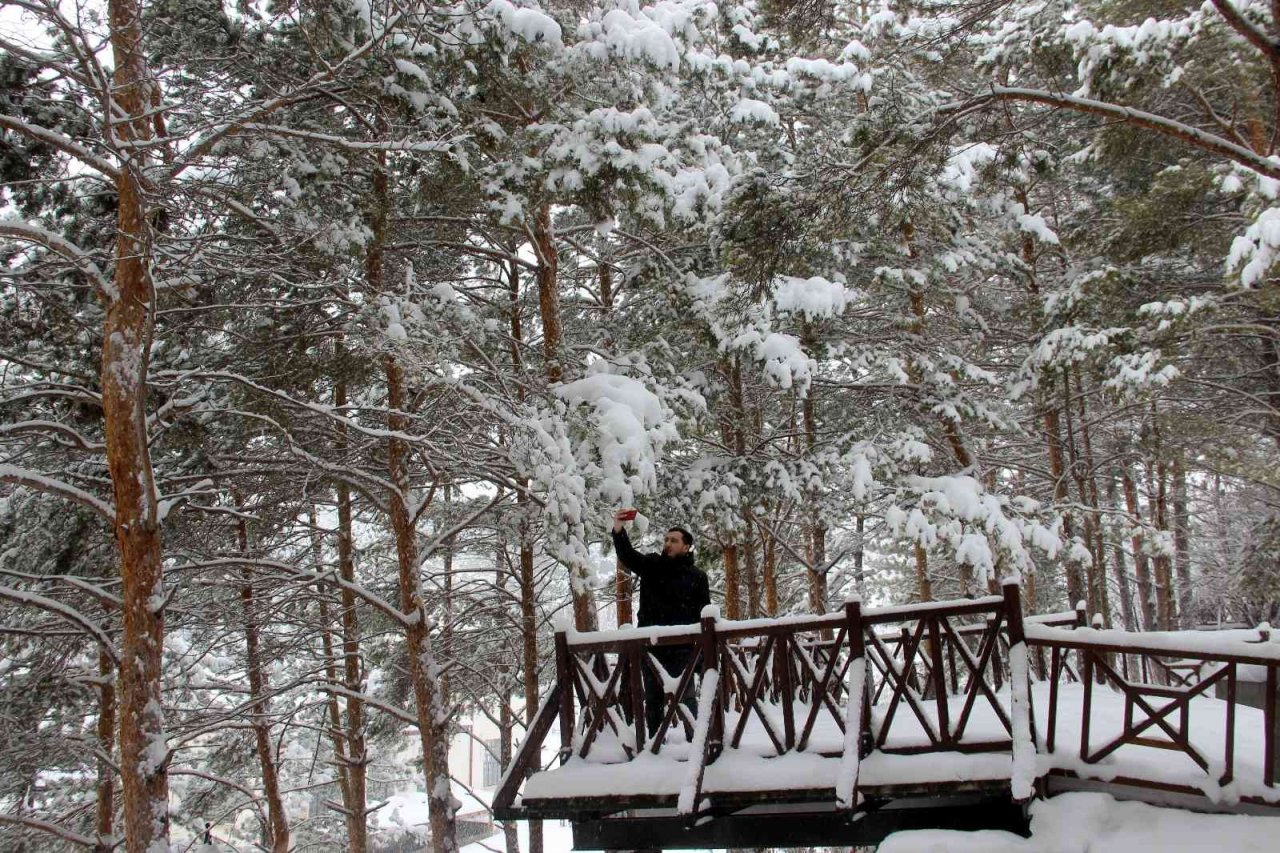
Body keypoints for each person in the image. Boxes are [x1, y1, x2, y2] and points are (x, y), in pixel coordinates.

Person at [611, 509, 711, 738]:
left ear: (686, 547)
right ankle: (655, 750)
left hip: (684, 647)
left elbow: (703, 612)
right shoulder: (652, 565)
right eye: (666, 540)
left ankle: (696, 742)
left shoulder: (697, 576)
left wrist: (702, 650)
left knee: (686, 698)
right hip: (652, 646)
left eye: (674, 541)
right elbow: (627, 555)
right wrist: (618, 528)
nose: (668, 543)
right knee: (653, 700)